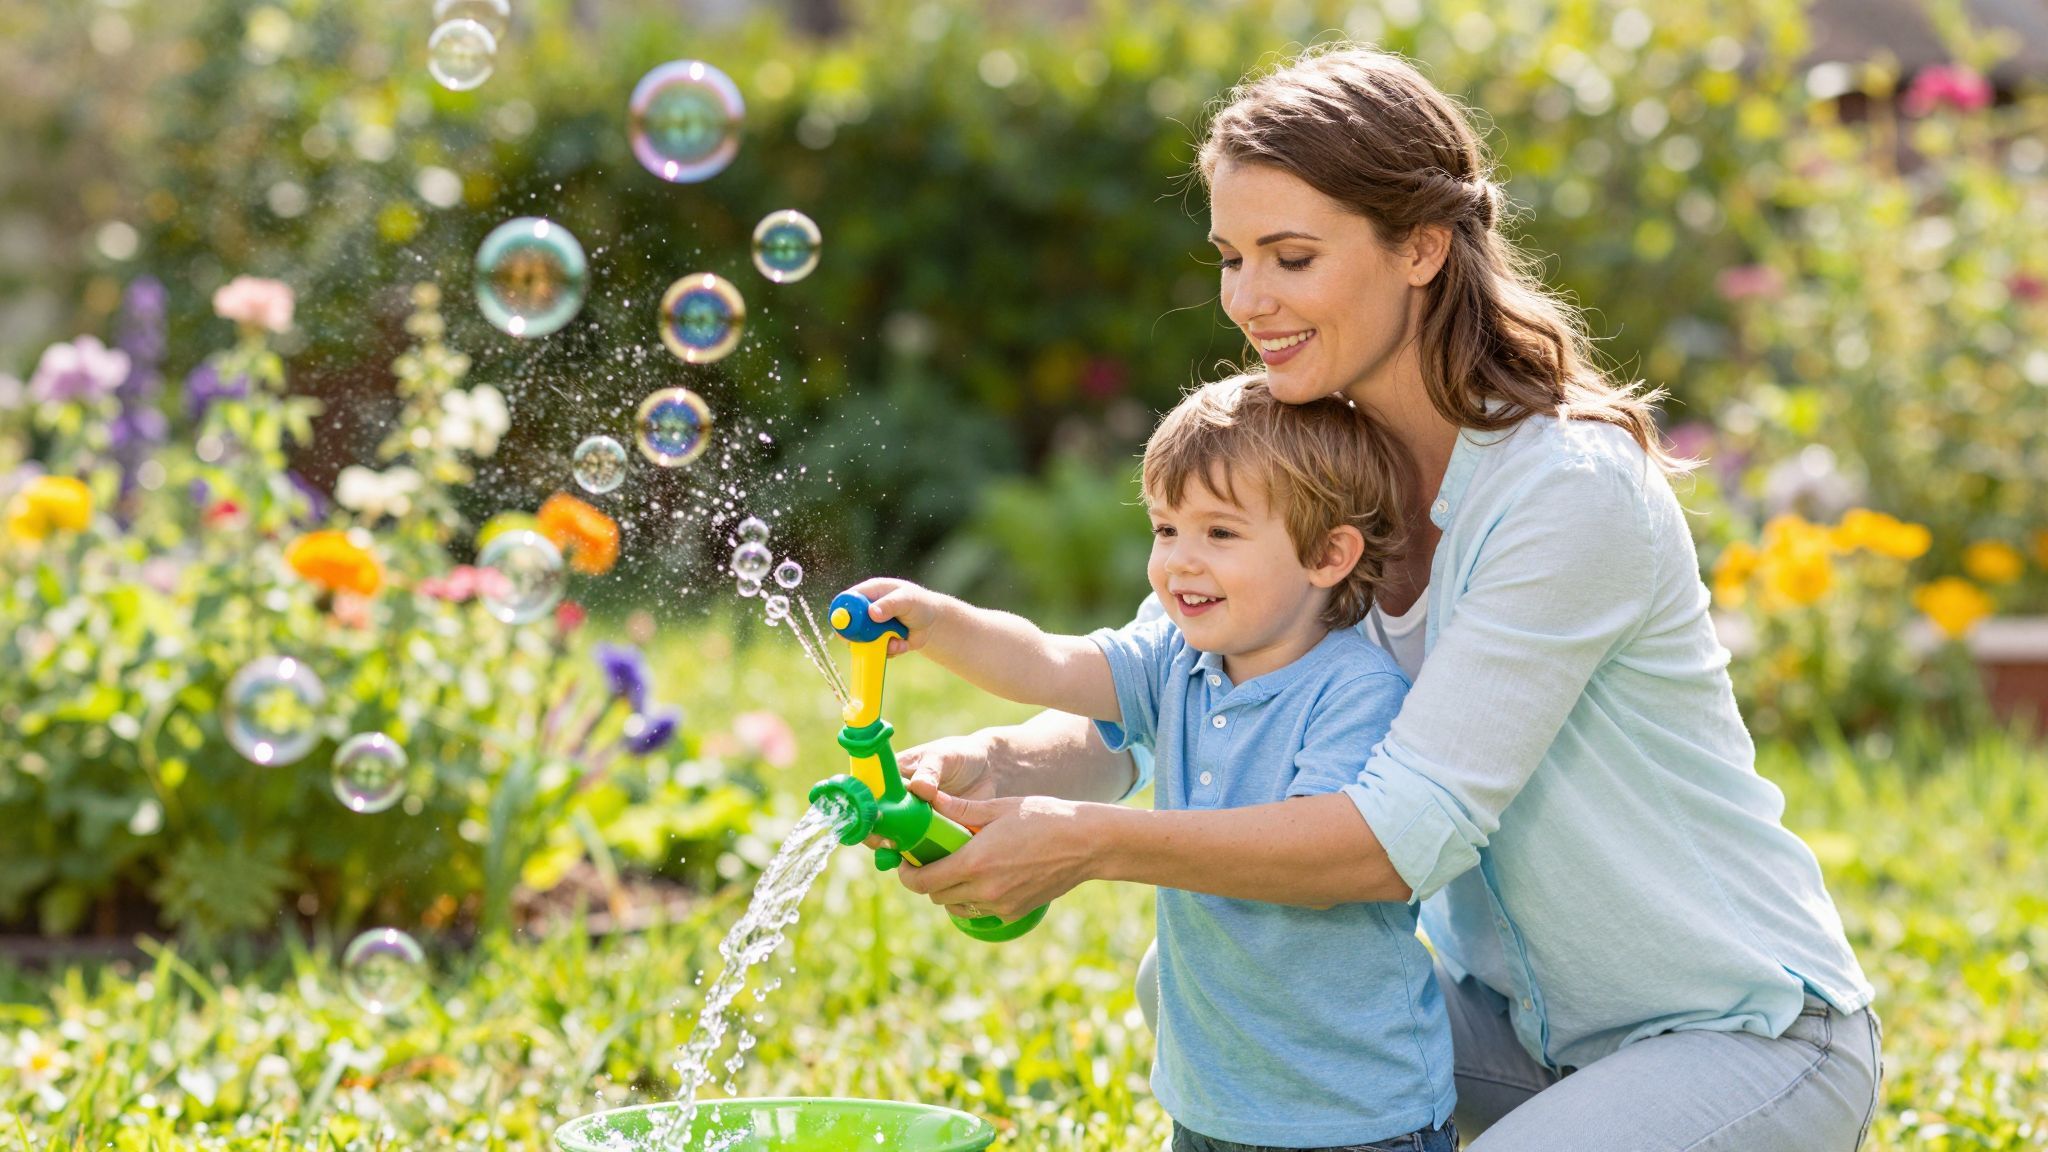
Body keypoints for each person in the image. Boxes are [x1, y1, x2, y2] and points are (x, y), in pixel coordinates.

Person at [878, 44, 1882, 1151]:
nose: (1247, 301)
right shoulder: (1316, 463)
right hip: (1501, 1033)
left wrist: (1090, 840)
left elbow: (1394, 843)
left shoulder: (1565, 492)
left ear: (1419, 246)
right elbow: (1163, 679)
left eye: (1291, 257)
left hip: (1734, 1038)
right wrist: (1004, 769)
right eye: (1229, 258)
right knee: (1199, 982)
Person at [845, 375, 1458, 1152]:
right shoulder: (1175, 660)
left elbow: (1314, 851)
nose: (1180, 563)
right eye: (1166, 530)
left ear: (1328, 554)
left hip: (1355, 1117)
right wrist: (939, 622)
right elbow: (1051, 662)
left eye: (1220, 534)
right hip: (1209, 1102)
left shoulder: (1354, 690)